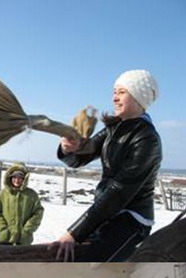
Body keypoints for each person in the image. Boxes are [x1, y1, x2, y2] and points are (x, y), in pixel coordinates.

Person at [53, 70, 161, 262]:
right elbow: (78, 159)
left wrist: (74, 233)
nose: (114, 98)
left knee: (91, 266)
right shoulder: (113, 129)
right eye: (114, 92)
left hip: (132, 219)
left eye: (121, 92)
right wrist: (69, 147)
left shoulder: (147, 139)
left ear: (139, 97)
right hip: (106, 212)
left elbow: (118, 193)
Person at [0, 164, 44, 246]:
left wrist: (27, 230)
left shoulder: (32, 195)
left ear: (24, 179)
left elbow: (38, 212)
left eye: (20, 178)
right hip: (6, 238)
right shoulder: (3, 194)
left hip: (23, 239)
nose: (17, 180)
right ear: (10, 178)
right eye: (14, 177)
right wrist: (3, 228)